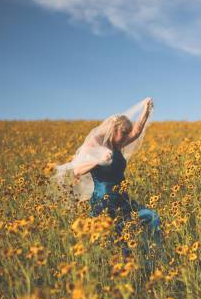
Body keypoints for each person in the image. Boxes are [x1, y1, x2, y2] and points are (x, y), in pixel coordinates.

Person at [53, 98, 163, 264]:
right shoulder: (94, 144)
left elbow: (137, 131)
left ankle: (152, 261)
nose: (126, 138)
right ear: (113, 129)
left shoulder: (117, 144)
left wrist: (145, 111)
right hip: (104, 203)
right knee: (113, 241)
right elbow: (77, 170)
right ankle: (113, 271)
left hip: (122, 199)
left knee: (151, 217)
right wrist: (98, 161)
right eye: (123, 134)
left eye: (127, 134)